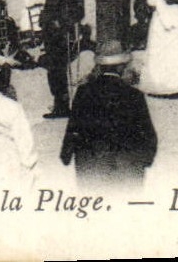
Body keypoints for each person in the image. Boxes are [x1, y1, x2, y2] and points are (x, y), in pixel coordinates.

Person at [58, 41, 156, 191]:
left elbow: (74, 127)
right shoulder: (134, 95)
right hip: (126, 168)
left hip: (91, 167)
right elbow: (147, 133)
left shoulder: (84, 92)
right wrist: (145, 158)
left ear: (99, 66)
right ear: (121, 66)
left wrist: (66, 153)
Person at [40, 0, 84, 119]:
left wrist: (63, 22)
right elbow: (47, 10)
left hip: (63, 36)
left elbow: (79, 13)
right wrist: (44, 20)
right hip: (51, 36)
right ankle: (59, 104)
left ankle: (63, 106)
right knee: (53, 71)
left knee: (58, 70)